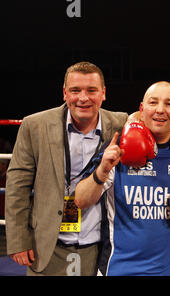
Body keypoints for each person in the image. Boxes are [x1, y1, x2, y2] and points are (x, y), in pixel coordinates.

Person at [5, 61, 128, 275]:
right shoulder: (35, 126)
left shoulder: (120, 123)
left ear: (103, 93)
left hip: (98, 248)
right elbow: (17, 186)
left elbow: (157, 114)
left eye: (91, 90)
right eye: (75, 90)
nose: (83, 98)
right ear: (64, 93)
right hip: (47, 246)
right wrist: (17, 240)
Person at [74, 81, 170, 275]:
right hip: (119, 269)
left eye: (169, 104)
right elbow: (80, 199)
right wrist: (102, 170)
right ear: (142, 108)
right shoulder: (118, 147)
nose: (160, 110)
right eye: (153, 103)